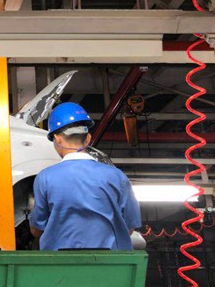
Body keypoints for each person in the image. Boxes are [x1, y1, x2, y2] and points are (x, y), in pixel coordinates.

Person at [29, 102, 141, 251]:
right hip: (110, 263)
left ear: (57, 138)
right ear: (88, 138)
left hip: (59, 263)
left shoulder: (45, 178)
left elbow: (37, 229)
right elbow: (129, 227)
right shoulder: (117, 176)